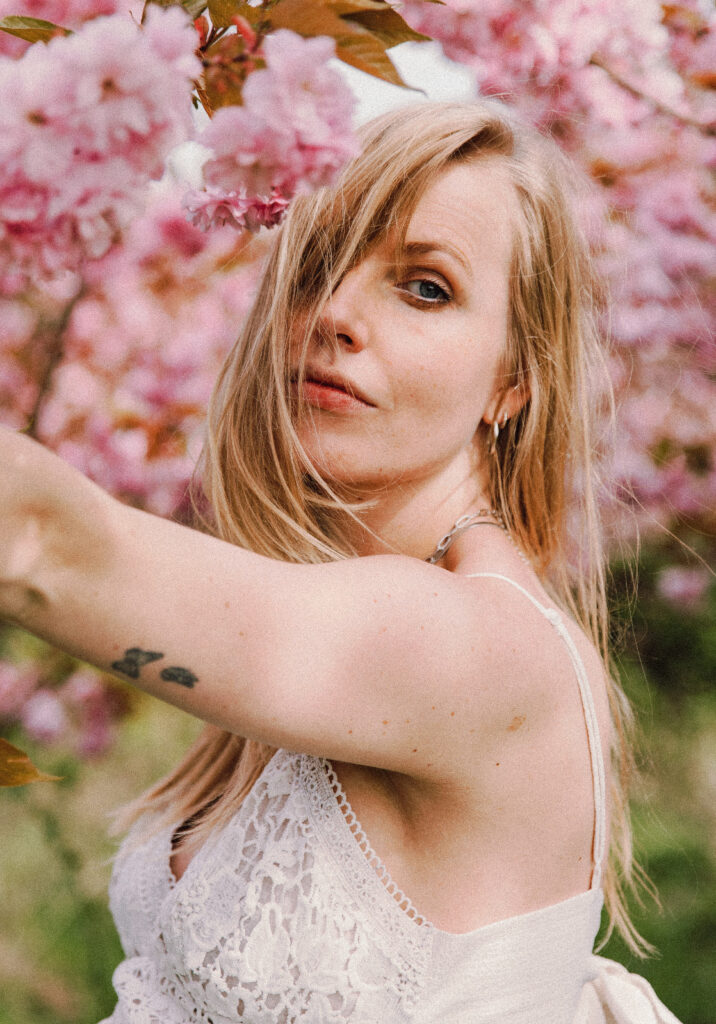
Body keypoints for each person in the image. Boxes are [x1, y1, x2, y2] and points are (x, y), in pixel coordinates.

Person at [0, 100, 681, 1024]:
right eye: (318, 264)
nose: (335, 313)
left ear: (513, 381)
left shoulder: (478, 643)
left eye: (425, 288)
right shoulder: (328, 611)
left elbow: (51, 546)